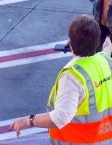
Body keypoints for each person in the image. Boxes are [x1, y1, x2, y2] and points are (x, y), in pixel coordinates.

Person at [9, 14, 112, 144]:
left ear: (71, 42)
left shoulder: (73, 76)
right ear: (97, 41)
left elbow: (60, 117)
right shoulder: (104, 62)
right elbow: (106, 51)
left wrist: (28, 121)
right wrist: (107, 43)